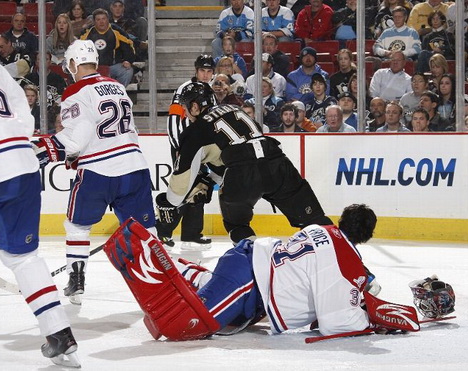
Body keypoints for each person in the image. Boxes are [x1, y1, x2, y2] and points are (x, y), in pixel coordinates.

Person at [104, 203, 431, 341]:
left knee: (211, 295)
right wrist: (373, 316)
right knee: (187, 326)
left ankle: (180, 267)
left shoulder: (324, 230)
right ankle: (148, 253)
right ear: (367, 236)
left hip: (250, 277)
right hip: (249, 280)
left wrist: (362, 298)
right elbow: (337, 322)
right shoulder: (347, 262)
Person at [31, 40, 157, 305]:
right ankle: (160, 284)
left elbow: (76, 140)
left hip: (99, 171)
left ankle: (76, 283)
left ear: (75, 63)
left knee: (77, 226)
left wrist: (42, 152)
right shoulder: (118, 86)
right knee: (145, 231)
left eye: (69, 66)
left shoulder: (77, 91)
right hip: (134, 167)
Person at [0, 50, 80, 368]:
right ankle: (59, 334)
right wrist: (16, 142)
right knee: (24, 259)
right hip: (20, 163)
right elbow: (19, 100)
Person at [157, 81, 333, 244]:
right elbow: (241, 144)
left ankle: (255, 262)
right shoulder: (235, 109)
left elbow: (179, 188)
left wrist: (168, 203)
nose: (185, 113)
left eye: (186, 108)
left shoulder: (194, 131)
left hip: (242, 175)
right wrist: (211, 179)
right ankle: (343, 253)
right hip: (276, 162)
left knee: (237, 225)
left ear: (194, 106)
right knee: (315, 220)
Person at [159, 55, 216, 250]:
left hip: (201, 148)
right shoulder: (184, 90)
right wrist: (178, 148)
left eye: (209, 71)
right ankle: (163, 232)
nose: (206, 75)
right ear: (196, 70)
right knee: (181, 188)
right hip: (185, 147)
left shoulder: (210, 92)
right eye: (202, 70)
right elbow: (173, 120)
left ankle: (191, 233)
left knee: (199, 188)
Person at [80, 8, 136, 87]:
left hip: (111, 67)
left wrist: (128, 60)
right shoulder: (87, 32)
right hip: (93, 68)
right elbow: (78, 47)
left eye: (103, 19)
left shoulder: (116, 31)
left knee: (127, 71)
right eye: (98, 19)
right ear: (94, 22)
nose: (101, 22)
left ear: (108, 19)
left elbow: (129, 44)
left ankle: (118, 92)